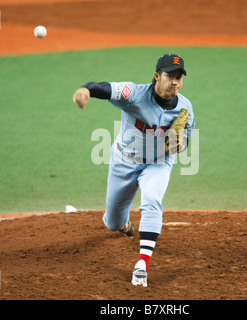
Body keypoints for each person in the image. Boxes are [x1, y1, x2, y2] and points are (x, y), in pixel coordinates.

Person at [72, 54, 195, 287]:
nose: (175, 82)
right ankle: (123, 224)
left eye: (179, 77)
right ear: (157, 76)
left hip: (158, 163)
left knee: (151, 201)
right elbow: (107, 89)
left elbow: (186, 138)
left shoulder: (185, 107)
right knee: (112, 222)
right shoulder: (135, 94)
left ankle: (142, 265)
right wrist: (87, 90)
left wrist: (181, 143)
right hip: (124, 161)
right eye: (170, 76)